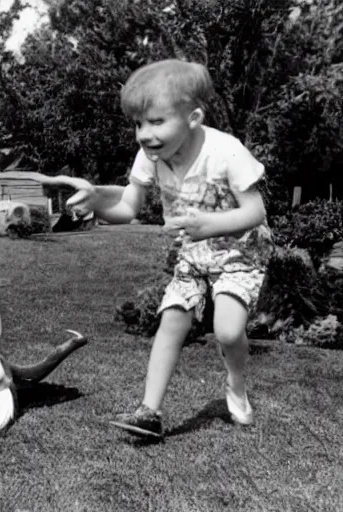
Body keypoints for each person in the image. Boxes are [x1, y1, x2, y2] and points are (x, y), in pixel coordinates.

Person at [59, 59, 274, 438]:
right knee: (171, 320)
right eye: (139, 124)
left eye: (157, 122)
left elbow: (256, 211)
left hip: (239, 253)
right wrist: (96, 202)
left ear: (193, 117)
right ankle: (149, 412)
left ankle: (236, 381)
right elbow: (128, 206)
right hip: (193, 253)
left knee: (227, 331)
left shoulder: (226, 151)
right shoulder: (150, 157)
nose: (144, 134)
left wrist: (209, 225)